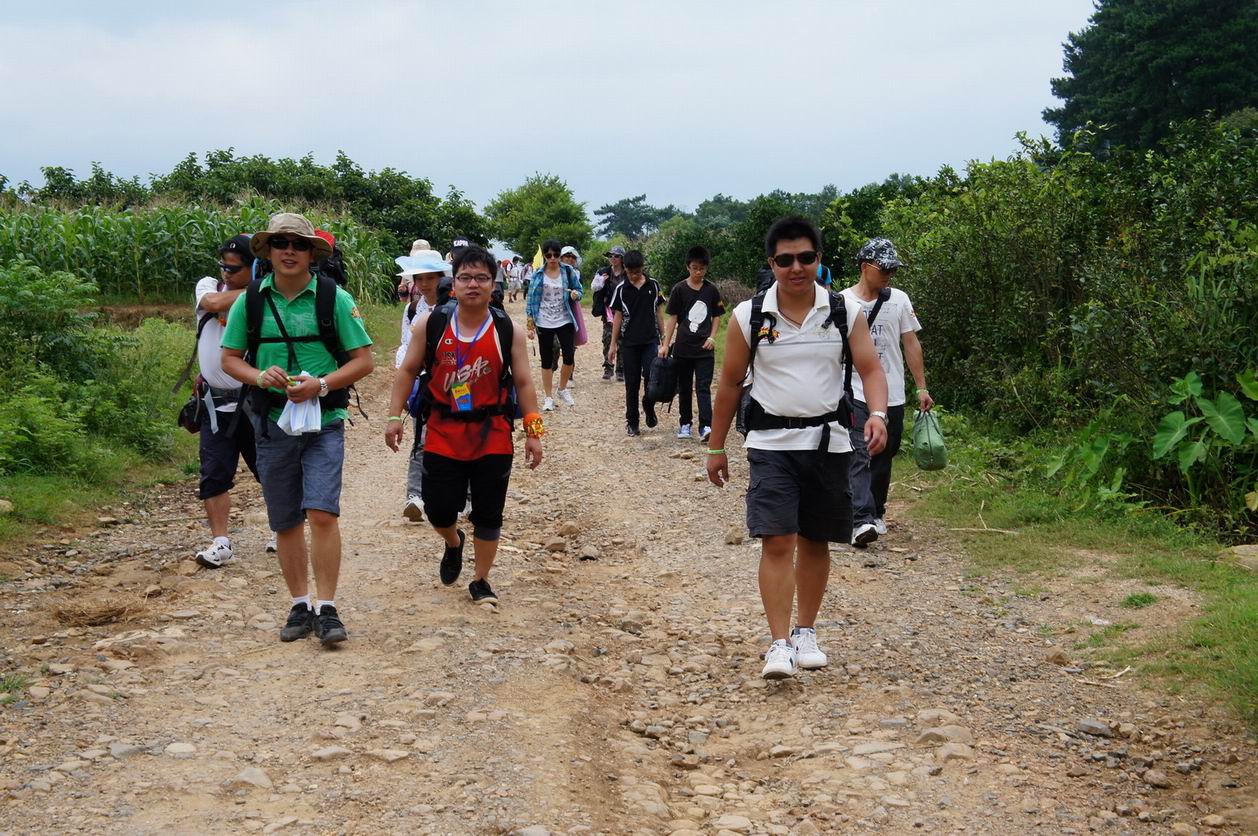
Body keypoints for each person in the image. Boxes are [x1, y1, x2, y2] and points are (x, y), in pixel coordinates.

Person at [705, 216, 889, 681]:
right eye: (785, 260)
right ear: (772, 264)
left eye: (806, 257)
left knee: (814, 539)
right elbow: (728, 385)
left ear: (819, 260)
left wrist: (878, 414)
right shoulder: (750, 316)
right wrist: (715, 446)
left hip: (828, 444)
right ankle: (779, 642)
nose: (796, 268)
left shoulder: (844, 313)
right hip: (770, 444)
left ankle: (807, 631)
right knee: (777, 538)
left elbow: (870, 369)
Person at [221, 212, 374, 647]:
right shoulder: (250, 301)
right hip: (270, 423)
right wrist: (257, 377)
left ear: (312, 253)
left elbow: (364, 360)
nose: (290, 250)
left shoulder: (334, 299)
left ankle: (326, 607)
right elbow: (230, 358)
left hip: (324, 420)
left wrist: (321, 384)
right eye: (281, 242)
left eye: (299, 244)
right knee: (285, 518)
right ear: (268, 251)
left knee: (322, 512)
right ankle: (300, 603)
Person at [385, 245, 544, 606]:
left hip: (494, 434)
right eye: (465, 278)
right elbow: (408, 370)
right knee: (438, 508)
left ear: (493, 284)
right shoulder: (432, 323)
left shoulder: (509, 331)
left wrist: (534, 436)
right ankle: (453, 541)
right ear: (452, 284)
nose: (473, 284)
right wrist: (395, 417)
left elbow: (524, 384)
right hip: (442, 429)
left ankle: (481, 580)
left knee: (489, 512)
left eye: (481, 278)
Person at [841, 237, 932, 545]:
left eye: (894, 269)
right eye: (885, 268)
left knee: (884, 454)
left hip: (891, 391)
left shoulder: (900, 300)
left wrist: (921, 387)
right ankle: (861, 519)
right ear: (865, 268)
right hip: (853, 390)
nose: (890, 274)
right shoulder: (841, 303)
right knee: (859, 452)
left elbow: (911, 344)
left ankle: (876, 510)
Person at [193, 234, 261, 569]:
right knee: (214, 473)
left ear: (255, 268)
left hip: (255, 398)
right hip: (214, 402)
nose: (226, 273)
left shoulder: (265, 298)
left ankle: (283, 529)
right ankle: (220, 541)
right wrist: (261, 287)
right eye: (224, 266)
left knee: (271, 470)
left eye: (235, 268)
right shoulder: (209, 286)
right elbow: (214, 304)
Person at [394, 249, 450, 522]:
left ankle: (463, 495)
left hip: (454, 383)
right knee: (421, 437)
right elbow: (405, 345)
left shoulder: (455, 305)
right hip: (424, 382)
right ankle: (415, 494)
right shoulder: (413, 309)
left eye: (431, 277)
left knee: (460, 437)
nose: (425, 284)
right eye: (420, 278)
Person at [660, 245, 725, 443]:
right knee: (685, 387)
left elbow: (716, 316)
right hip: (683, 348)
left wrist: (712, 337)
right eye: (695, 268)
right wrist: (665, 344)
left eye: (702, 269)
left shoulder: (711, 290)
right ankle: (685, 423)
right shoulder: (679, 289)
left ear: (706, 269)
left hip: (705, 348)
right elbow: (672, 319)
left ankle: (706, 425)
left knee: (703, 387)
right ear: (688, 267)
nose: (698, 272)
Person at [607, 250, 665, 436]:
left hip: (650, 341)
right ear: (625, 269)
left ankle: (648, 406)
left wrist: (664, 339)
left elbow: (659, 313)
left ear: (643, 268)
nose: (634, 276)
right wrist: (613, 344)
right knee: (631, 384)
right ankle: (632, 422)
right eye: (630, 272)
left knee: (651, 379)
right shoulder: (621, 289)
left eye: (637, 272)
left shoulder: (653, 286)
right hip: (629, 343)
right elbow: (617, 316)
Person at [525, 239, 583, 411]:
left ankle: (562, 388)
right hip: (543, 320)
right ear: (544, 255)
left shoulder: (568, 271)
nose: (552, 258)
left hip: (564, 318)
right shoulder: (537, 275)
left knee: (569, 355)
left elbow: (580, 290)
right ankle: (548, 397)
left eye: (556, 255)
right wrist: (530, 326)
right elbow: (530, 301)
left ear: (560, 256)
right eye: (549, 255)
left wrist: (575, 295)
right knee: (547, 360)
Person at [592, 245, 627, 381]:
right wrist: (602, 280)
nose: (613, 258)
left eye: (616, 256)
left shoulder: (628, 273)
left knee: (622, 340)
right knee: (607, 339)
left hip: (624, 311)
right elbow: (594, 287)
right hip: (608, 311)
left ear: (622, 258)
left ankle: (620, 369)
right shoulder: (603, 272)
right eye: (611, 256)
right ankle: (608, 367)